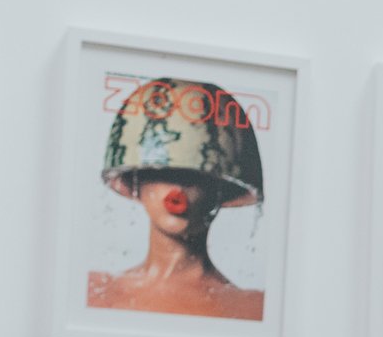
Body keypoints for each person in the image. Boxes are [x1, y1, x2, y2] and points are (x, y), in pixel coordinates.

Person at [85, 78, 266, 322]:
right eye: (162, 170)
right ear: (137, 180)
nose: (178, 187)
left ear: (221, 188)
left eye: (196, 174)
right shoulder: (94, 291)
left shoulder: (252, 309)